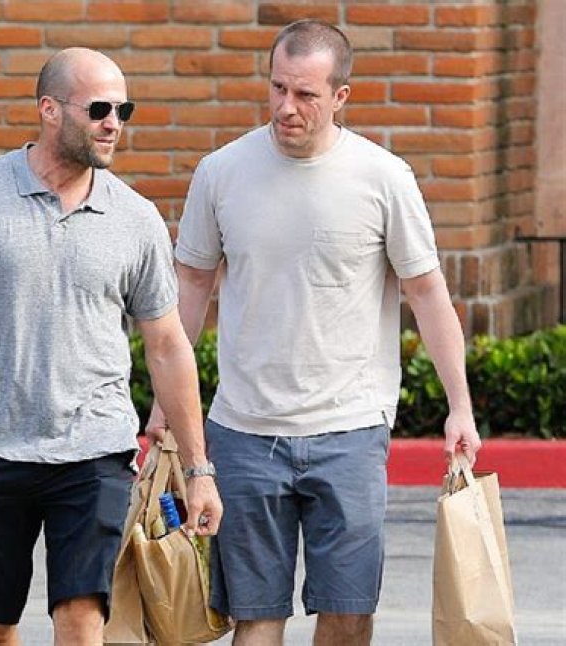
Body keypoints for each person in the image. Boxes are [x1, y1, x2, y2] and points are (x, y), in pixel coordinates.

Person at [146, 20, 481, 646]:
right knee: (256, 617)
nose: (286, 107)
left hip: (351, 428)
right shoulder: (221, 172)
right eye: (277, 88)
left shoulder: (383, 177)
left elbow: (427, 293)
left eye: (305, 94)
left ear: (340, 96)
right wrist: (166, 406)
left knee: (349, 615)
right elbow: (190, 286)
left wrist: (459, 405)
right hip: (244, 429)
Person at [0, 48, 222, 646]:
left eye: (123, 110)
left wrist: (199, 469)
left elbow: (168, 345)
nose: (113, 123)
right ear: (49, 109)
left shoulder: (136, 218)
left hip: (93, 452)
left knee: (81, 620)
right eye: (98, 109)